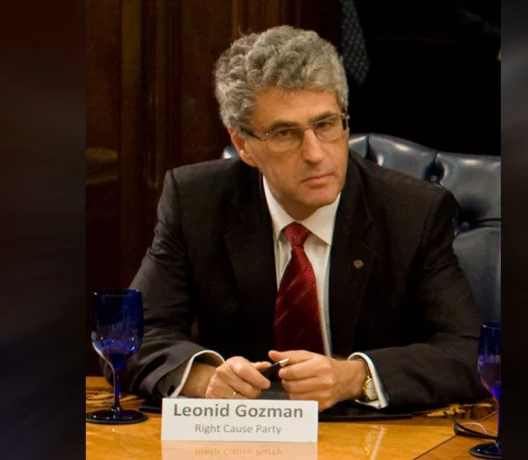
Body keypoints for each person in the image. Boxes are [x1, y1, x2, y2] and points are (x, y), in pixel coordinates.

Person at [104, 25, 485, 410]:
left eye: (326, 125)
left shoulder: (413, 212)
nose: (316, 153)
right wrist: (204, 378)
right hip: (242, 432)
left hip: (372, 431)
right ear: (243, 145)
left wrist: (355, 377)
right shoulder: (196, 202)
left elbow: (469, 351)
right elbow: (128, 337)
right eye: (285, 133)